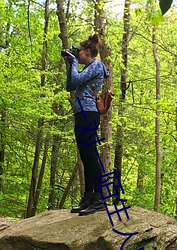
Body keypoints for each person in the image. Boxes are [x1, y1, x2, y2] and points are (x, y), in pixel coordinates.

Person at [64, 34, 110, 216]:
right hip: (81, 113)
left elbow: (75, 81)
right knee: (85, 156)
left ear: (88, 52)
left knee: (91, 155)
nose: (77, 54)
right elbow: (70, 85)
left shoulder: (96, 65)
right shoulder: (87, 69)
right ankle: (89, 196)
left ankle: (99, 198)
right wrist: (71, 63)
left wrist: (73, 62)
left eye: (79, 51)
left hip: (89, 113)